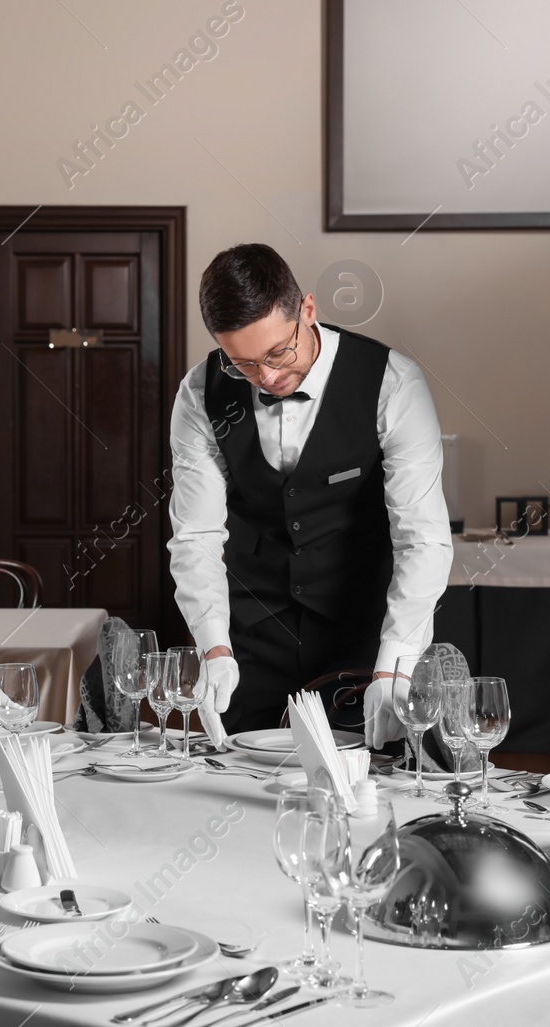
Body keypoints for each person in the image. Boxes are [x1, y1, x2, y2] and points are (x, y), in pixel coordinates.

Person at [167, 243, 453, 738]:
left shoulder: (392, 383)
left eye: (279, 351)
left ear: (308, 310)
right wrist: (214, 648)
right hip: (250, 640)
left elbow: (422, 539)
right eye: (244, 365)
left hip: (364, 639)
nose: (269, 377)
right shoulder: (200, 393)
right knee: (234, 788)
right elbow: (196, 536)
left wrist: (394, 667)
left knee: (368, 794)